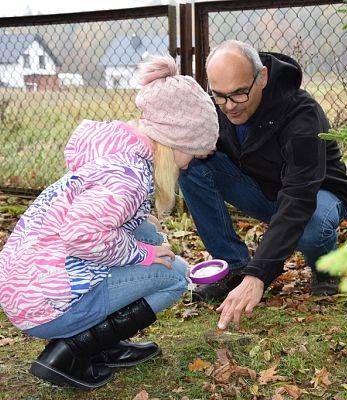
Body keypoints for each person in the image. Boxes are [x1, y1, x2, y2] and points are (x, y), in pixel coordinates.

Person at [0, 55, 218, 390]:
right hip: (45, 303)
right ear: (176, 139)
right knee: (172, 279)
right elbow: (82, 234)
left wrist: (146, 239)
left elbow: (103, 220)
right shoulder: (129, 177)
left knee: (150, 238)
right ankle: (70, 353)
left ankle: (102, 344)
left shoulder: (116, 151)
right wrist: (141, 256)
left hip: (28, 285)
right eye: (194, 154)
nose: (189, 166)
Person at [178, 40, 347, 331]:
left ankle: (327, 269)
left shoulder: (302, 114)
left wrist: (259, 275)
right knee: (191, 167)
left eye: (238, 94)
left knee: (311, 227)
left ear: (261, 77)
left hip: (317, 194)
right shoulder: (219, 106)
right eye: (219, 96)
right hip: (262, 192)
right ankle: (233, 268)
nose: (229, 107)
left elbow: (298, 197)